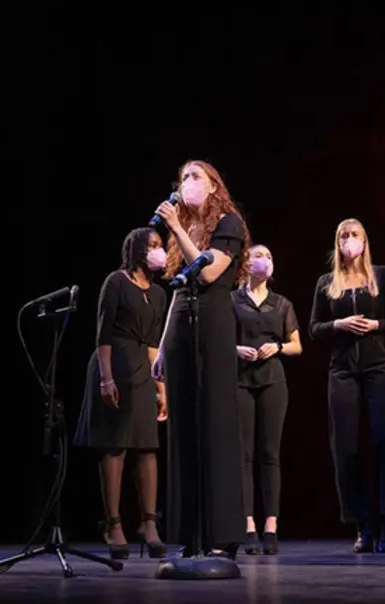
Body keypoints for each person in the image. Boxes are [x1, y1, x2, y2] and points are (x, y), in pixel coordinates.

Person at [151, 160, 252, 560]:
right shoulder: (185, 231)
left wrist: (175, 226)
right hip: (183, 330)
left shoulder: (229, 223)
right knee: (185, 431)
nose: (186, 183)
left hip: (212, 328)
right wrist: (162, 344)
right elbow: (179, 290)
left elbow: (207, 275)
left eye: (195, 176)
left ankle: (221, 533)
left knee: (213, 425)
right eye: (183, 177)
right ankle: (191, 534)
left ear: (214, 186)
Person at [308, 218, 385, 554]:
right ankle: (362, 523)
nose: (349, 240)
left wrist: (378, 323)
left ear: (365, 241)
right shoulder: (327, 282)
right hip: (342, 370)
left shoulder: (381, 276)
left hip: (379, 365)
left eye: (354, 235)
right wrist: (338, 322)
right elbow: (314, 328)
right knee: (346, 447)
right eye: (343, 236)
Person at [72, 227, 169, 560]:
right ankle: (112, 523)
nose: (160, 251)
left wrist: (162, 388)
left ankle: (149, 523)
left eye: (161, 245)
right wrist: (105, 378)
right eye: (153, 245)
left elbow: (155, 345)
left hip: (143, 371)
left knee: (147, 447)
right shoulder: (116, 281)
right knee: (115, 445)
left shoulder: (158, 294)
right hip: (114, 366)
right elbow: (103, 334)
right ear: (138, 249)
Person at [232, 244, 302, 555]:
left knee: (269, 454)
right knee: (244, 455)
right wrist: (236, 349)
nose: (265, 261)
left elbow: (296, 345)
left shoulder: (282, 303)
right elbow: (218, 339)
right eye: (259, 255)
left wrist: (277, 347)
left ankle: (270, 526)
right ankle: (248, 525)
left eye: (270, 256)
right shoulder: (232, 300)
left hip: (273, 381)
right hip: (240, 381)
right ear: (246, 262)